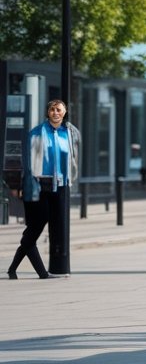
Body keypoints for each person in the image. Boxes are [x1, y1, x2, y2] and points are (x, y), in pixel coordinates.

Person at [8, 99, 79, 280]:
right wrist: (17, 185)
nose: (56, 113)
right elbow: (23, 160)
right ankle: (40, 273)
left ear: (65, 113)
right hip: (38, 186)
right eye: (53, 110)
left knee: (43, 229)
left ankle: (17, 270)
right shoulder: (37, 133)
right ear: (48, 112)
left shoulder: (68, 134)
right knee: (35, 228)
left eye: (59, 110)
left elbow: (72, 159)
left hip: (60, 186)